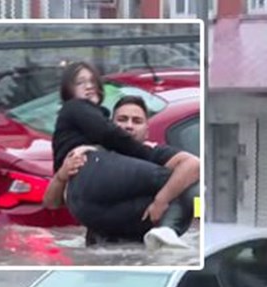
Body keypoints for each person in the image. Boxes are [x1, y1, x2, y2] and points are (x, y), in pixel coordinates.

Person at [50, 63, 200, 247]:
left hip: (132, 250)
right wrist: (61, 175)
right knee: (180, 183)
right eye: (122, 120)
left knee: (184, 183)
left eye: (136, 121)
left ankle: (167, 232)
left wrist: (162, 200)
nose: (128, 126)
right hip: (97, 244)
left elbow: (194, 166)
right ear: (109, 124)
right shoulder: (94, 154)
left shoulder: (154, 152)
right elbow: (50, 203)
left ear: (147, 131)